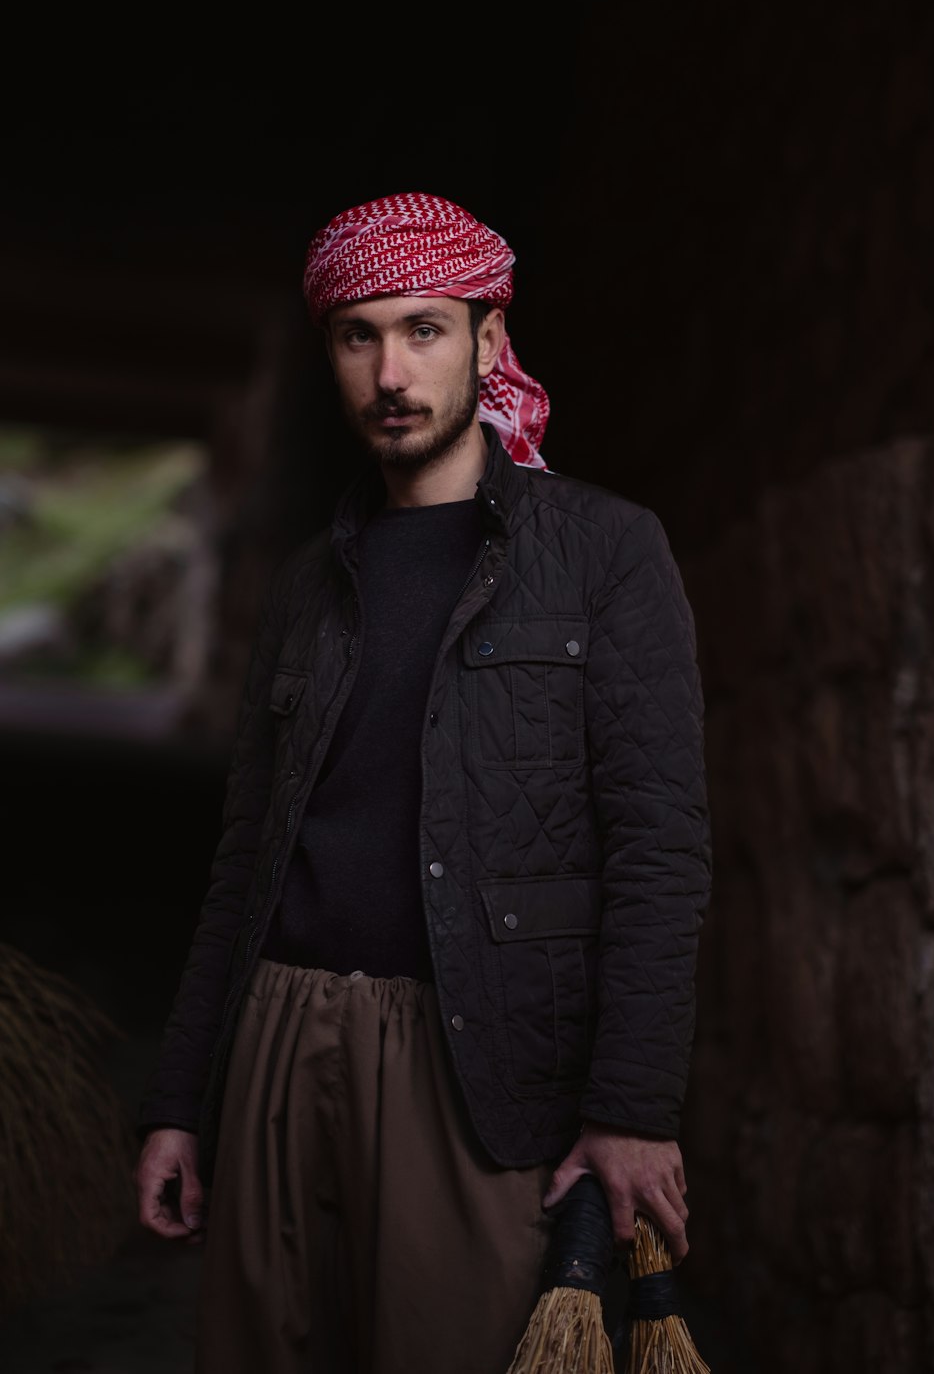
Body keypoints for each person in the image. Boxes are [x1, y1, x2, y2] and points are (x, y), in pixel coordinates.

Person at [134, 192, 713, 1374]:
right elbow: (246, 856)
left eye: (424, 329)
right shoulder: (306, 586)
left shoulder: (604, 553)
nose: (390, 370)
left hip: (478, 1061)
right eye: (358, 336)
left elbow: (659, 847)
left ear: (489, 339)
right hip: (281, 1039)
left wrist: (630, 1108)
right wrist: (181, 1098)